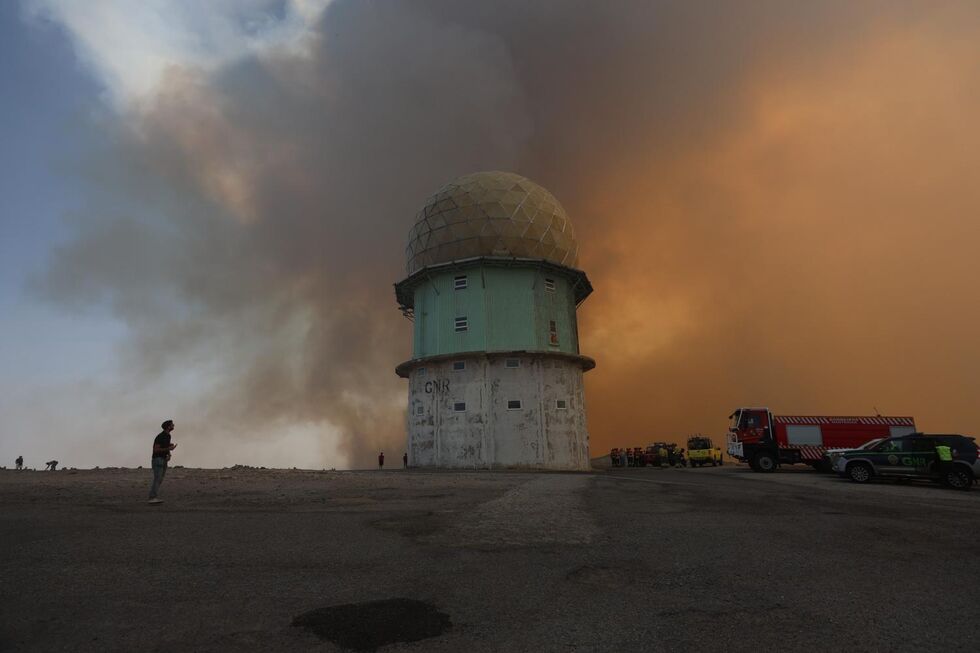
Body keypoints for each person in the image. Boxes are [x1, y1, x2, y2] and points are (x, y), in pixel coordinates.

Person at [149, 420, 177, 504]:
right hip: (158, 460)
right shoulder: (161, 436)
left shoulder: (168, 436)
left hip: (163, 459)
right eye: (172, 424)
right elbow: (156, 449)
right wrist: (169, 448)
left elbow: (165, 447)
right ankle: (152, 497)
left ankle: (153, 496)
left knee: (160, 479)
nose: (173, 425)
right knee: (157, 479)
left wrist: (169, 454)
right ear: (168, 427)